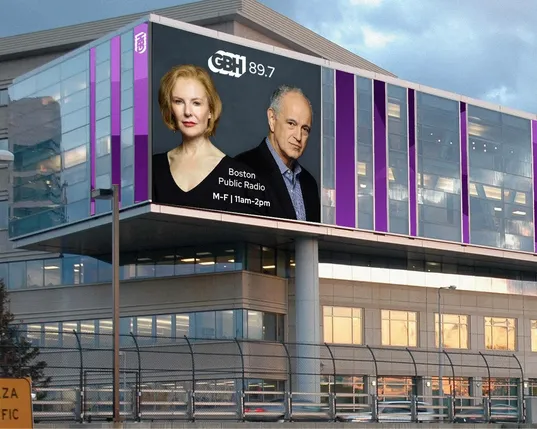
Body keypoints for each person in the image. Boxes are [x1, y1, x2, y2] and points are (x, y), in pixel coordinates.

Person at [152, 64, 272, 216]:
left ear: (210, 110)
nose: (187, 112)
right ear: (170, 108)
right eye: (179, 101)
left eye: (196, 103)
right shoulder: (153, 169)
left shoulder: (238, 175)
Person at [235, 85, 320, 222]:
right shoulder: (242, 169)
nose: (298, 136)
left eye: (305, 129)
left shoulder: (309, 184)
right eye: (291, 124)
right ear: (272, 119)